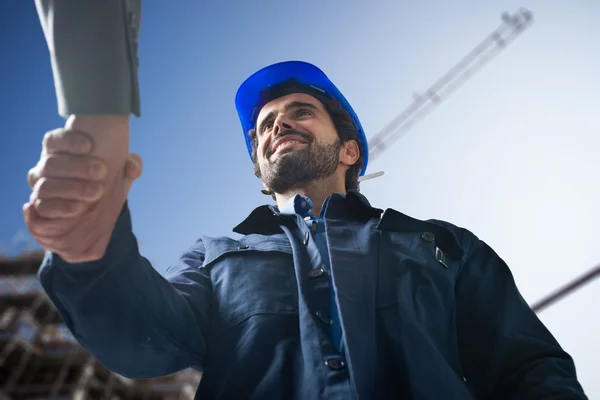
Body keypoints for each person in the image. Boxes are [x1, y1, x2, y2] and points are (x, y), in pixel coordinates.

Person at [26, 4, 587, 400]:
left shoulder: (443, 246)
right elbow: (144, 342)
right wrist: (90, 250)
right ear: (262, 175)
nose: (277, 126)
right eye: (265, 125)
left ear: (349, 150)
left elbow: (528, 369)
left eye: (300, 112)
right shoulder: (214, 258)